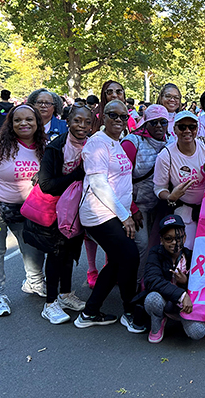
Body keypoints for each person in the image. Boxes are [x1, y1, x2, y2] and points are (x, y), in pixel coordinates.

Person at [0, 104, 47, 316]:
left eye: (29, 119)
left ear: (37, 122)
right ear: (10, 124)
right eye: (17, 120)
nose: (24, 123)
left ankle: (34, 282)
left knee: (33, 247)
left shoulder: (44, 146)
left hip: (27, 210)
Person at [74, 100, 144, 332]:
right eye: (113, 115)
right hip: (99, 214)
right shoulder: (97, 143)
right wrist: (125, 216)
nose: (119, 120)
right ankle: (130, 311)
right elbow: (98, 183)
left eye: (123, 117)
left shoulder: (116, 143)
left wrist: (128, 210)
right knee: (129, 256)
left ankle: (90, 312)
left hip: (114, 213)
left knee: (116, 261)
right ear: (103, 116)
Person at [29, 103, 92, 324]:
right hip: (55, 210)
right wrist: (76, 175)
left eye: (87, 122)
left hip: (77, 209)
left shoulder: (92, 145)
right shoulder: (56, 147)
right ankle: (50, 303)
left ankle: (65, 294)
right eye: (77, 121)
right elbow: (46, 184)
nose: (82, 126)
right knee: (56, 254)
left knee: (71, 252)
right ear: (68, 121)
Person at [153, 111, 205, 250]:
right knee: (185, 247)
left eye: (192, 127)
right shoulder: (166, 155)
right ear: (174, 129)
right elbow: (159, 188)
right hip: (184, 208)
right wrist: (170, 197)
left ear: (197, 129)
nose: (187, 131)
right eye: (182, 127)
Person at [121, 105, 170, 282]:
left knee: (155, 245)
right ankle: (134, 283)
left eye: (163, 122)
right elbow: (120, 179)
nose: (158, 126)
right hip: (136, 204)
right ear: (145, 123)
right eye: (153, 122)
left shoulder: (172, 141)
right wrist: (132, 209)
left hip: (159, 204)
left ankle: (147, 280)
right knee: (141, 244)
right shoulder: (132, 143)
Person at [143, 215, 205, 343]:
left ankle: (184, 319)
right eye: (169, 239)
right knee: (152, 299)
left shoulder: (193, 256)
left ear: (185, 237)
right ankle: (158, 320)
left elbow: (203, 284)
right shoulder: (156, 253)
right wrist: (182, 295)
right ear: (161, 240)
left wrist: (185, 282)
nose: (174, 242)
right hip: (165, 302)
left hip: (185, 307)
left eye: (178, 238)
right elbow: (151, 280)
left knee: (198, 332)